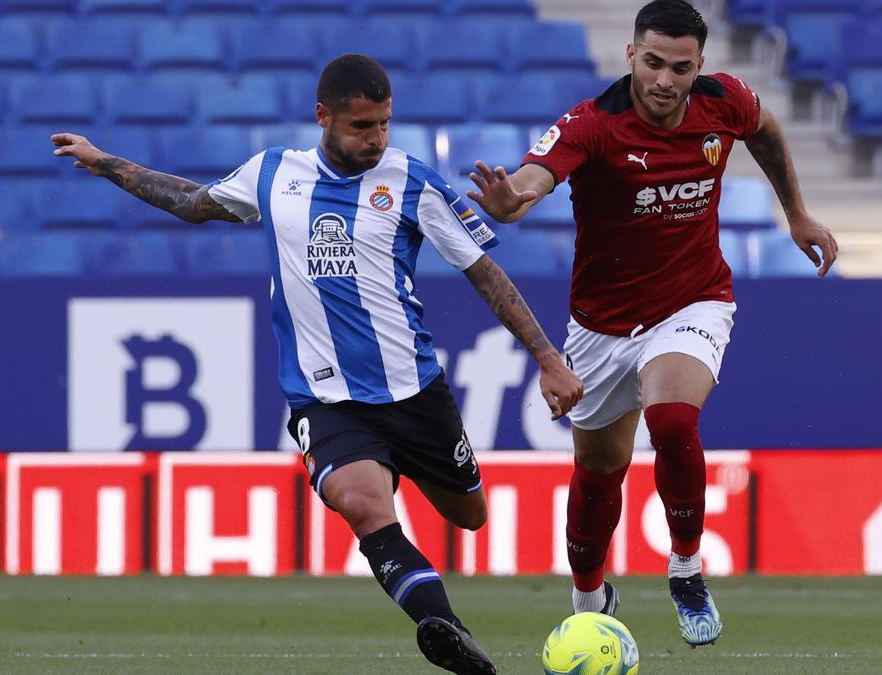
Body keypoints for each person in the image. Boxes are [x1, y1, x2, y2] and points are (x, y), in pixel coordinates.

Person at [51, 54, 582, 674]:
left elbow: (483, 272)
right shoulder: (273, 174)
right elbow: (193, 203)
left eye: (384, 124)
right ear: (323, 116)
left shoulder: (412, 181)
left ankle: (422, 528)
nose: (375, 138)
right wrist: (104, 162)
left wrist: (547, 357)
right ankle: (453, 638)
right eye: (362, 126)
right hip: (324, 399)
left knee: (469, 516)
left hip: (414, 391)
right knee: (364, 505)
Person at [466, 0, 837, 648]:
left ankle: (687, 567)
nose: (665, 80)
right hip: (602, 326)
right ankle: (588, 596)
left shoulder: (725, 101)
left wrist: (796, 214)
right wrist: (515, 200)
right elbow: (536, 174)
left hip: (692, 301)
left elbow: (768, 131)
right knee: (597, 473)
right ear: (632, 54)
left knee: (671, 419)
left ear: (701, 66)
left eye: (681, 67)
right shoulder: (594, 123)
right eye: (655, 63)